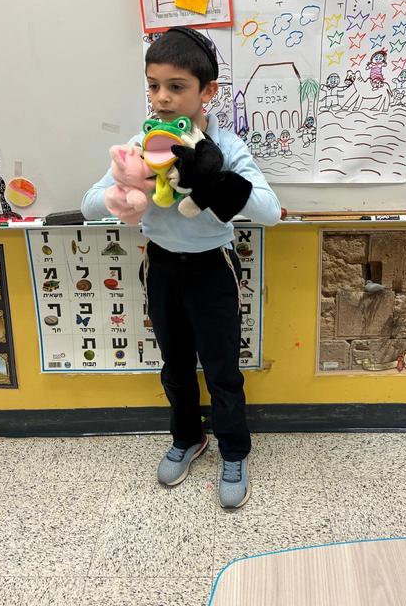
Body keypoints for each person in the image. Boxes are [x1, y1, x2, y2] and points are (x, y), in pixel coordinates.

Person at [82, 27, 281, 510]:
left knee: (222, 369)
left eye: (176, 86)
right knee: (174, 365)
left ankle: (234, 451)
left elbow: (270, 212)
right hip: (162, 266)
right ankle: (188, 438)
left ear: (207, 91)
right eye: (153, 86)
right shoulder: (141, 143)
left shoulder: (226, 145)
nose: (162, 98)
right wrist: (129, 190)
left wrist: (210, 178)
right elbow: (89, 204)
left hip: (214, 267)